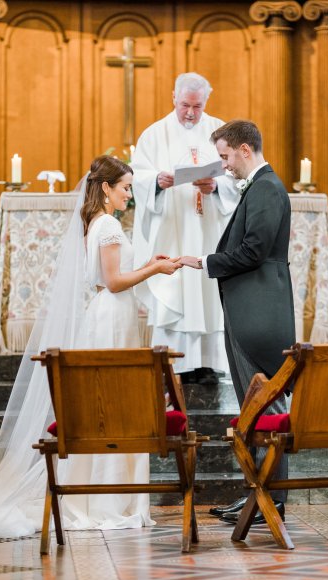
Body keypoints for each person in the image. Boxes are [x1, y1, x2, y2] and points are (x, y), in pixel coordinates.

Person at [0, 156, 181, 537]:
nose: (129, 195)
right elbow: (113, 282)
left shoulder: (97, 223)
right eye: (125, 187)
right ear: (107, 188)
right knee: (114, 405)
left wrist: (146, 262)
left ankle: (103, 494)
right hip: (112, 317)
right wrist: (154, 269)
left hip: (112, 315)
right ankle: (109, 499)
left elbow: (110, 276)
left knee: (110, 403)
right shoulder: (109, 223)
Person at [180, 120, 295, 524]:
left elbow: (254, 251)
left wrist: (206, 261)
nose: (224, 166)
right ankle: (262, 497)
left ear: (246, 149)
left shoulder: (265, 187)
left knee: (260, 405)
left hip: (257, 313)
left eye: (226, 156)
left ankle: (268, 500)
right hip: (254, 307)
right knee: (259, 405)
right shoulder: (264, 186)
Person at [131, 72, 239, 381]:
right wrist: (156, 182)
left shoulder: (221, 131)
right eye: (185, 105)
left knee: (208, 293)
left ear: (207, 102)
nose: (191, 113)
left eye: (198, 106)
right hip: (172, 229)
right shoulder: (154, 134)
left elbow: (236, 176)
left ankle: (209, 364)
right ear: (173, 99)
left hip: (209, 231)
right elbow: (138, 175)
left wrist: (216, 187)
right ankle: (175, 365)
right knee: (176, 291)